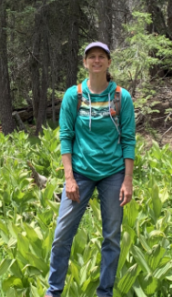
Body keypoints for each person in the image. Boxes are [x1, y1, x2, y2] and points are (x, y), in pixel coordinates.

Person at [45, 42, 136, 297]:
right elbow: (66, 136)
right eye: (91, 57)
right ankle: (54, 291)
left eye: (101, 57)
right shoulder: (73, 96)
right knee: (62, 234)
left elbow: (128, 139)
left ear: (108, 62)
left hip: (113, 173)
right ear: (85, 63)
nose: (96, 61)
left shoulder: (121, 97)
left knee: (111, 237)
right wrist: (69, 178)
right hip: (81, 173)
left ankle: (104, 293)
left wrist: (127, 180)